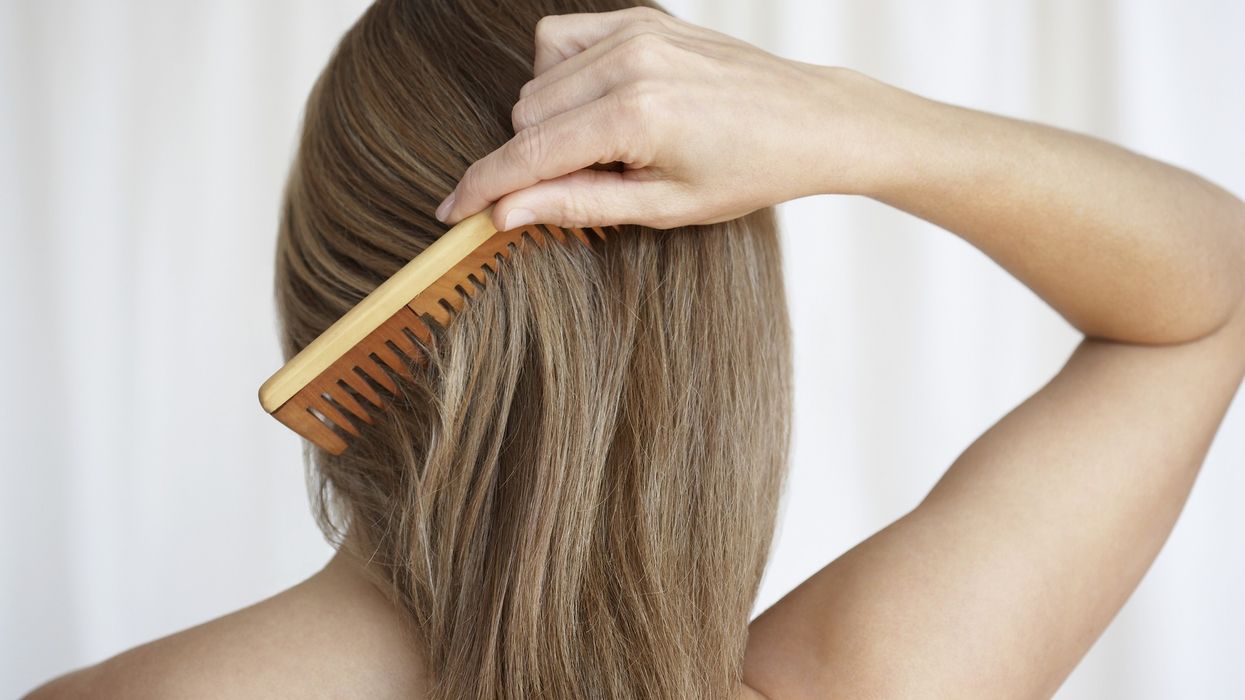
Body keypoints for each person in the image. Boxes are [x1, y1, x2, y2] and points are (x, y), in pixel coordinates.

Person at [27, 2, 1245, 699]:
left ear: (324, 304)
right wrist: (856, 124)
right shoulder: (867, 680)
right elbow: (1211, 293)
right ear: (729, 336)